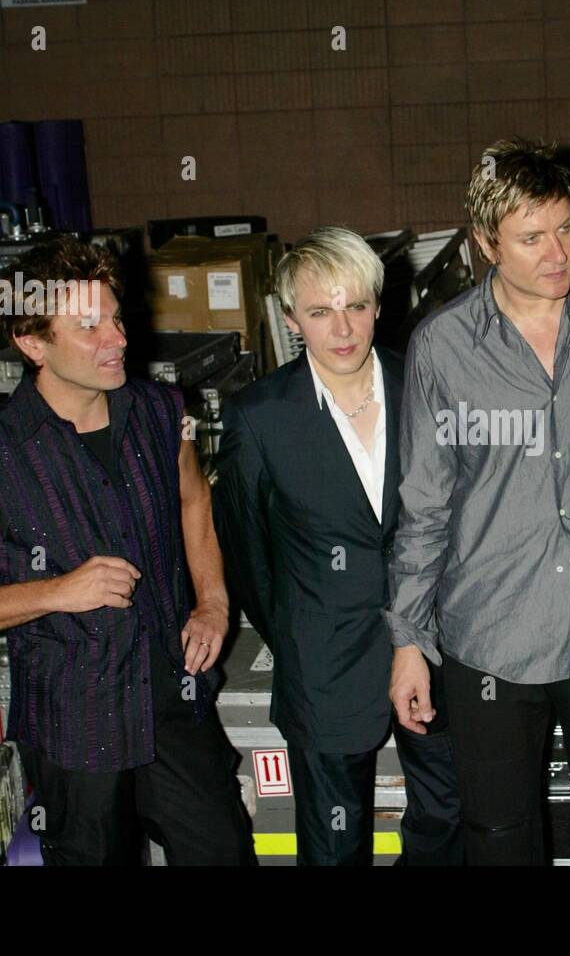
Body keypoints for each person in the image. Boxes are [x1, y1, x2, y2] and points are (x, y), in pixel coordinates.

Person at [0, 235, 255, 865]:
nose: (117, 339)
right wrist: (56, 592)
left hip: (173, 702)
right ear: (32, 343)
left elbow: (194, 502)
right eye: (88, 327)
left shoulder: (158, 410)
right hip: (76, 727)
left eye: (116, 318)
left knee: (225, 852)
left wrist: (215, 603)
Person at [385, 137, 570, 865]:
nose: (557, 252)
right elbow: (424, 506)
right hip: (490, 620)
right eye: (531, 237)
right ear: (484, 243)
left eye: (564, 228)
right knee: (500, 838)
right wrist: (408, 639)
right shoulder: (442, 346)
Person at [212, 227, 462, 866]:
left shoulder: (431, 388)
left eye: (356, 306)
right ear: (292, 318)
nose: (342, 328)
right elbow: (247, 553)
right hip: (323, 659)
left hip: (438, 644)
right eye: (320, 311)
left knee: (451, 816)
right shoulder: (261, 415)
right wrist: (297, 634)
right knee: (333, 845)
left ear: (380, 305)